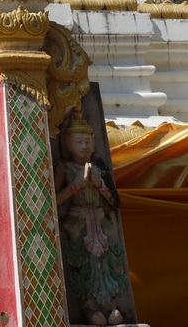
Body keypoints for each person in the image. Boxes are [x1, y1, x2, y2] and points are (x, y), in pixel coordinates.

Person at [55, 107, 125, 326]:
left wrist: (98, 183)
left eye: (87, 141)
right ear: (68, 144)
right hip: (77, 222)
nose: (84, 146)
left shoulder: (99, 167)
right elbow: (53, 200)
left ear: (94, 143)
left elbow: (114, 201)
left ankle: (110, 305)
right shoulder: (64, 168)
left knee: (105, 263)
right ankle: (89, 307)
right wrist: (75, 186)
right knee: (83, 264)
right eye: (78, 142)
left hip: (100, 220)